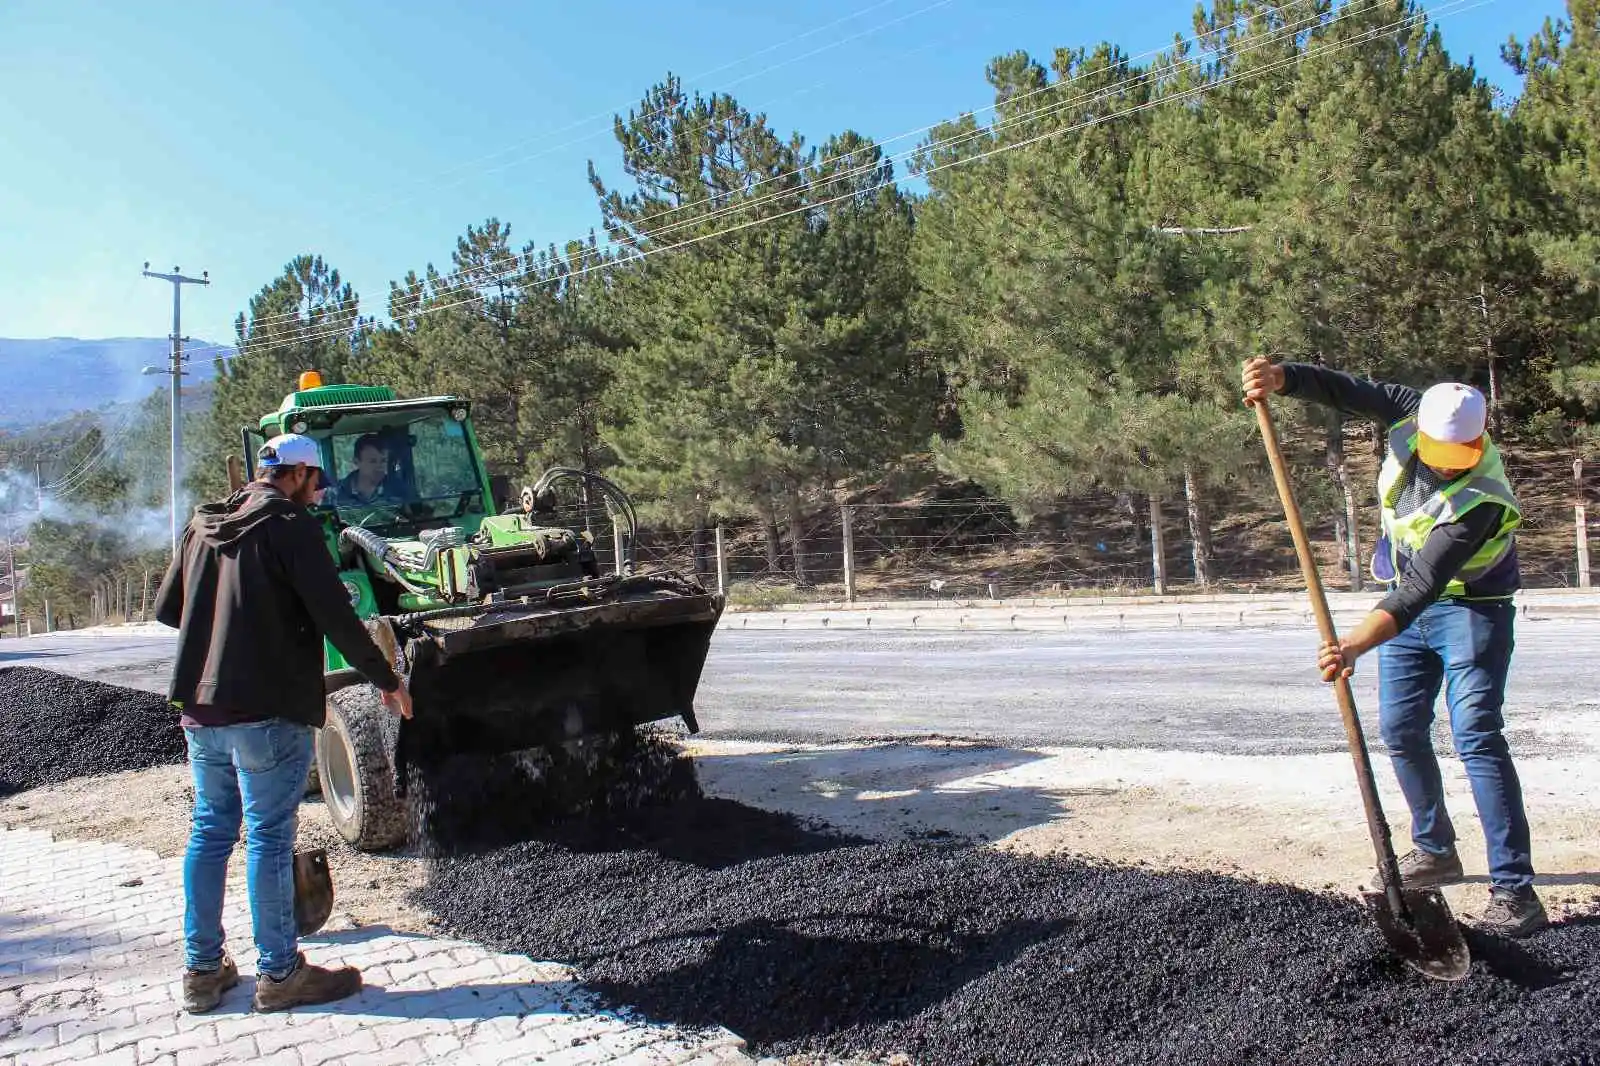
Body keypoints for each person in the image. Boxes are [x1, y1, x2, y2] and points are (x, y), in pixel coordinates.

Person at [1241, 357, 1546, 937]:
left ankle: (1515, 892)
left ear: (1478, 439)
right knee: (1402, 730)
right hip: (1405, 602)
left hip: (1472, 611)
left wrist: (1352, 644)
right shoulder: (1413, 411)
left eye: (1457, 453)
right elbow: (1351, 390)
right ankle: (1435, 851)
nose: (1443, 462)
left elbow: (1421, 588)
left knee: (1477, 736)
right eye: (1437, 449)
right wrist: (1286, 379)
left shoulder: (1481, 500)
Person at [154, 433, 415, 1013]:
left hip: (201, 710)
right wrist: (388, 680)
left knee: (210, 832)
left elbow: (170, 609)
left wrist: (226, 630)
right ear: (295, 474)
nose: (319, 492)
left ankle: (202, 972)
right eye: (317, 481)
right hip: (267, 712)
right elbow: (338, 617)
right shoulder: (290, 527)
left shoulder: (204, 524)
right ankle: (280, 973)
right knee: (269, 838)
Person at [336, 433, 402, 506]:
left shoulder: (398, 489)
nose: (379, 466)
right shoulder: (338, 492)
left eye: (383, 461)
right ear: (356, 462)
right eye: (373, 461)